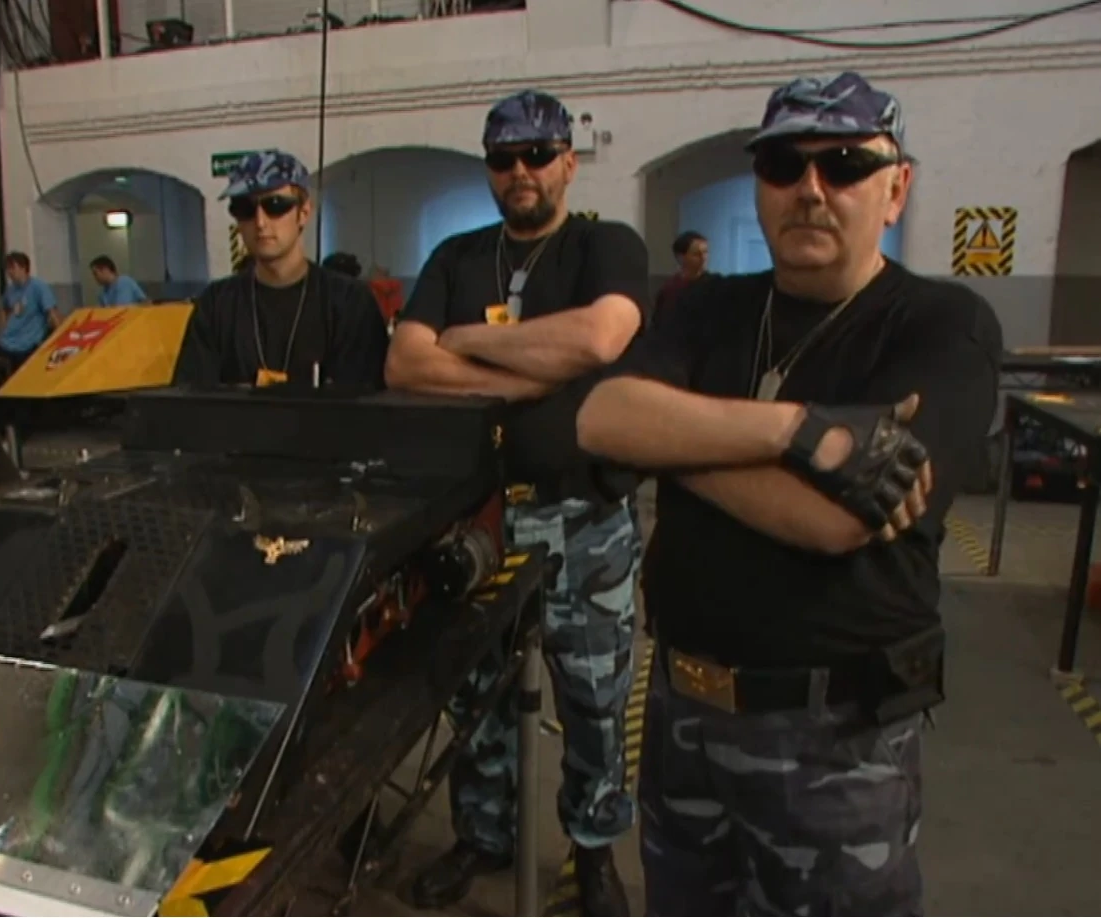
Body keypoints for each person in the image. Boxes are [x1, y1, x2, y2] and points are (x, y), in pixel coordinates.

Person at [568, 71, 1002, 915]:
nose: (810, 188)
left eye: (844, 165)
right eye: (782, 165)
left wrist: (675, 446)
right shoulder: (707, 308)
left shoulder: (942, 323)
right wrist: (801, 432)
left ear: (895, 189)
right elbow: (602, 417)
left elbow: (839, 517)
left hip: (836, 746)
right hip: (682, 719)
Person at [385, 89, 651, 915]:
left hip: (585, 521)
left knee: (594, 699)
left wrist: (466, 340)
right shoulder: (456, 258)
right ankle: (482, 834)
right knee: (475, 693)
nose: (521, 171)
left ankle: (593, 850)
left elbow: (600, 338)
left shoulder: (605, 246)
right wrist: (536, 373)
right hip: (479, 520)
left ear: (569, 161)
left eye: (538, 155)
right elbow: (405, 364)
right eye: (504, 159)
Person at [172, 150, 389, 390]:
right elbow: (191, 399)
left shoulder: (349, 303)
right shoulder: (216, 305)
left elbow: (364, 401)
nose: (260, 222)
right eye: (244, 208)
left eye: (275, 205)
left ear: (303, 213)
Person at [0, 251, 60, 370]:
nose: (9, 272)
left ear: (23, 268)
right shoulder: (11, 290)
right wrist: (2, 330)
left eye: (12, 268)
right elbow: (2, 307)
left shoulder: (38, 287)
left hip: (27, 344)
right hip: (8, 343)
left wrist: (60, 337)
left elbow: (51, 312)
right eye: (7, 269)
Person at [654, 230, 709, 312]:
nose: (703, 258)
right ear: (681, 257)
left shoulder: (714, 287)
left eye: (705, 252)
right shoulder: (670, 290)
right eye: (696, 254)